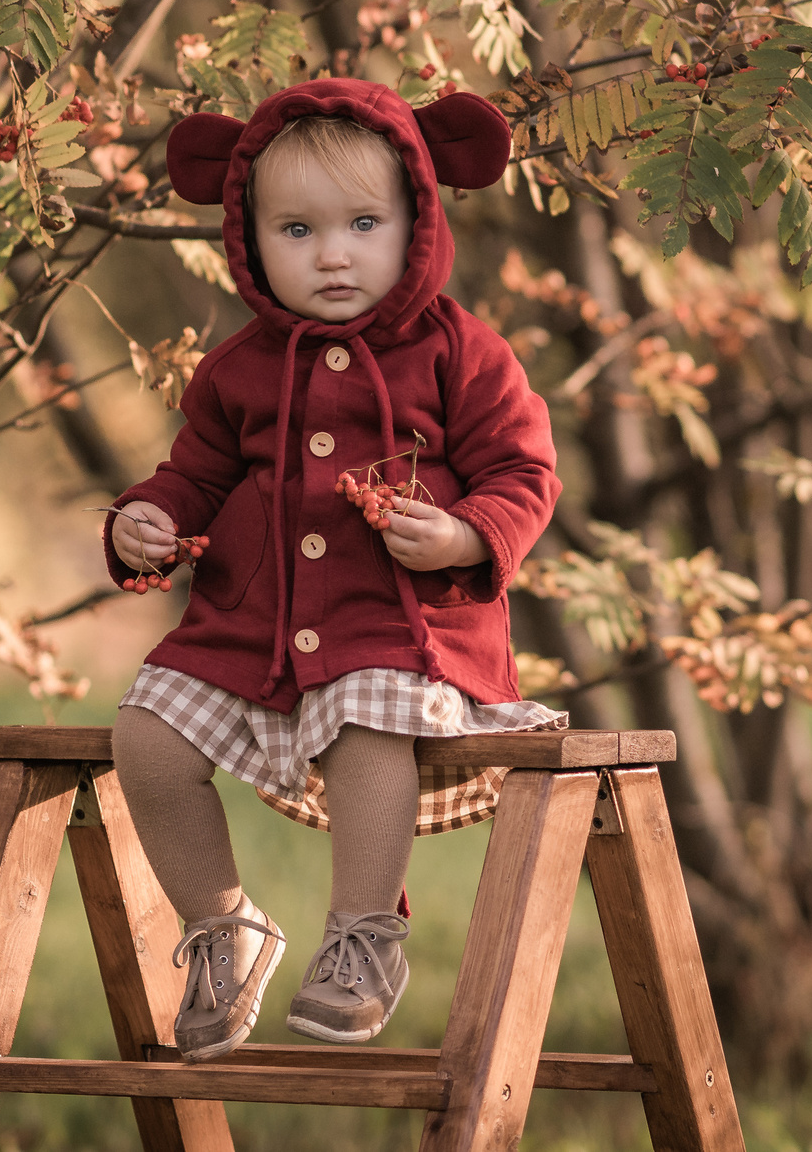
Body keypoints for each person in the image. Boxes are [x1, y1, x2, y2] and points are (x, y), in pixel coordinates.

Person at [101, 78, 564, 1062]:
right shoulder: (237, 368)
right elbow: (193, 475)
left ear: (416, 220)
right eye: (297, 230)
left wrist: (464, 534)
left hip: (401, 627)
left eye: (362, 222)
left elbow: (523, 470)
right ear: (250, 240)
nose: (334, 253)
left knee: (366, 719)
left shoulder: (459, 353)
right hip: (249, 630)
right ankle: (225, 927)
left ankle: (363, 936)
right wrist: (144, 521)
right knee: (143, 739)